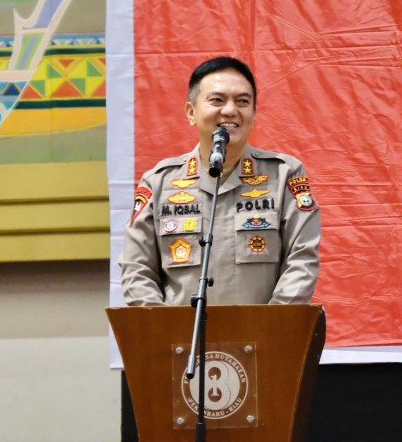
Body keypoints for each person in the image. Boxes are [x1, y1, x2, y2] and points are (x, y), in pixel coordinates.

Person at [119, 56, 320, 305]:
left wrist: (269, 325)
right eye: (217, 100)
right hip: (182, 331)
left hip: (264, 330)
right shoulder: (159, 183)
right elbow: (137, 270)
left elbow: (302, 261)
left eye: (243, 101)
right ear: (191, 113)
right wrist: (163, 328)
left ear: (254, 114)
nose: (230, 110)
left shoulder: (283, 175)